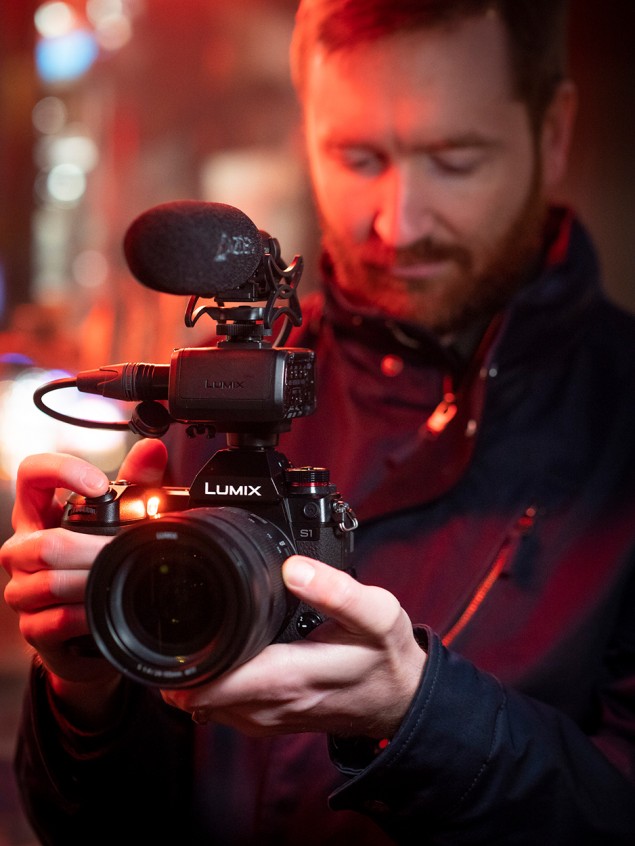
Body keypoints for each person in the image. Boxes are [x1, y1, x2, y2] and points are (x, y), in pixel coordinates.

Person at [2, 0, 635, 843]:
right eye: (357, 157)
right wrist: (88, 689)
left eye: (455, 159)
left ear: (551, 133)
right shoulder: (219, 396)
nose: (397, 222)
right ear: (308, 134)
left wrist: (418, 721)